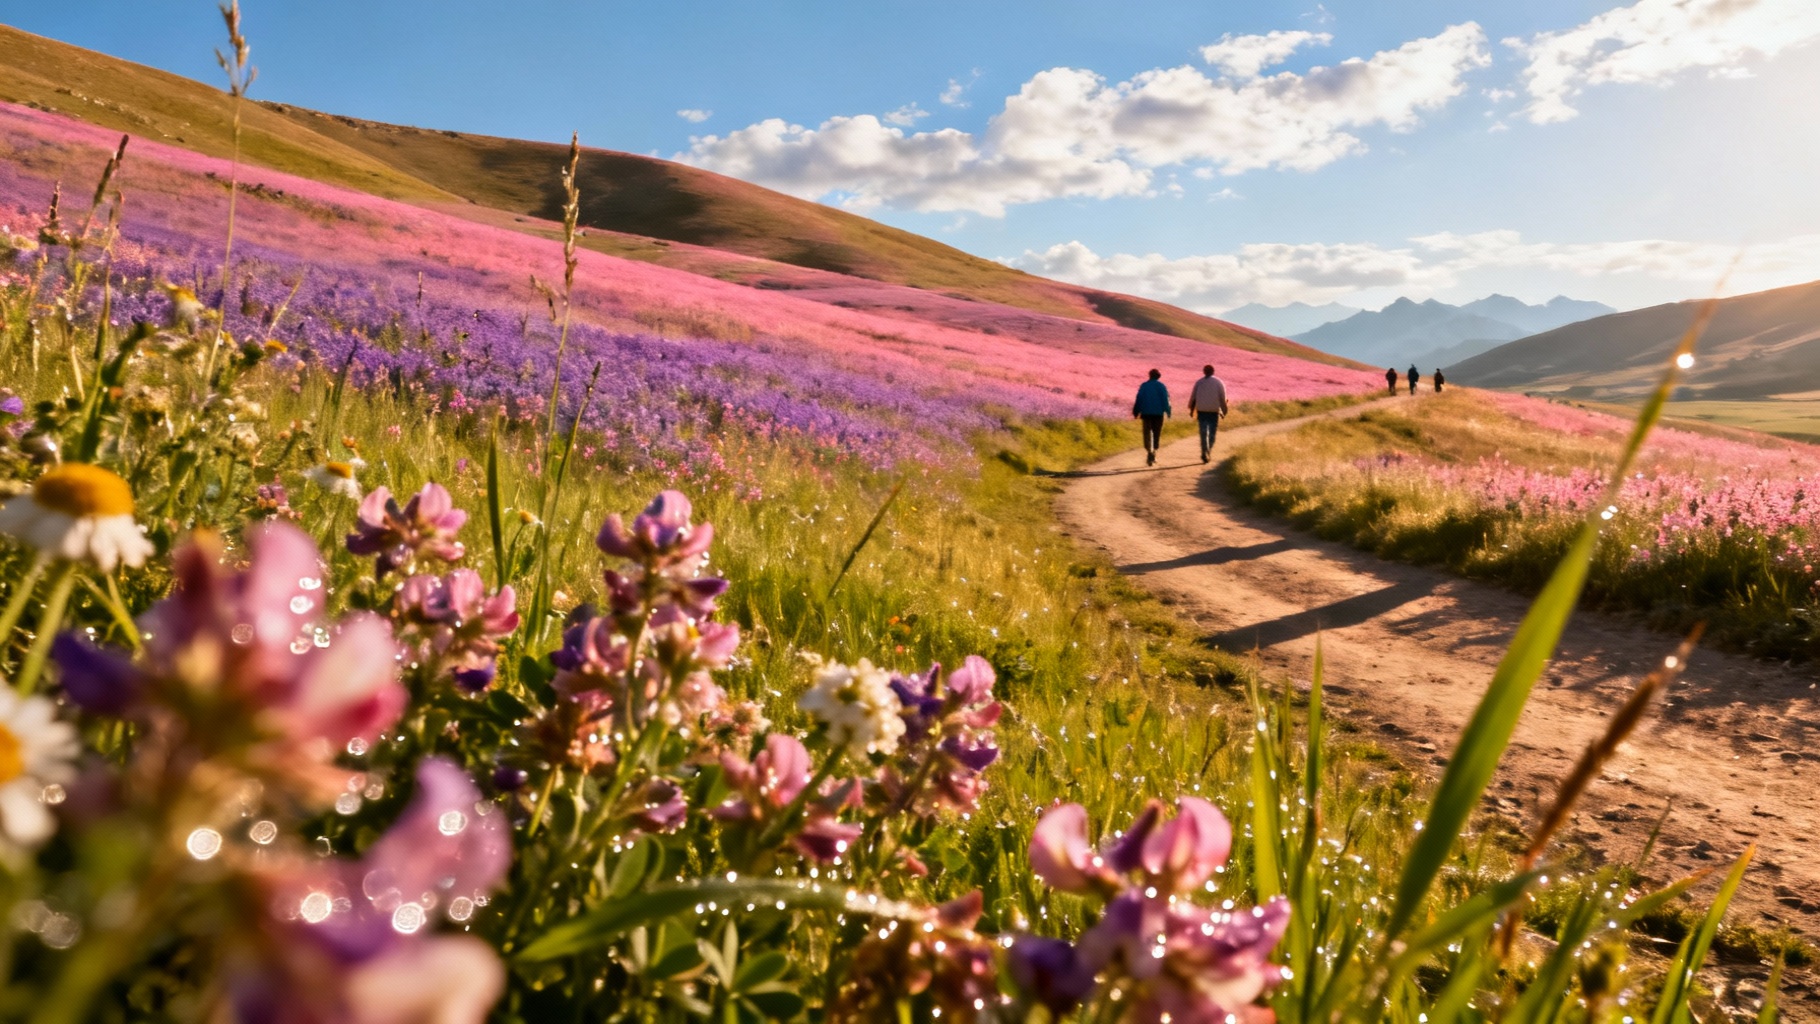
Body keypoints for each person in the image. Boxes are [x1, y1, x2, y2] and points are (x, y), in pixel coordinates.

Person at [1187, 364, 1229, 464]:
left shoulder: (1199, 382)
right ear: (1213, 371)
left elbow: (1193, 398)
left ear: (1204, 372)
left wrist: (1191, 410)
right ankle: (1207, 450)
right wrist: (1224, 411)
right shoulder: (1218, 382)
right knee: (1212, 433)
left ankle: (1204, 451)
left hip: (1202, 411)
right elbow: (1222, 398)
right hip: (1213, 411)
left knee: (1203, 432)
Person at [1132, 368, 1171, 466]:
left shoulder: (1144, 386)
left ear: (1149, 375)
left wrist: (1136, 411)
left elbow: (1139, 398)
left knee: (1147, 433)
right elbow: (1165, 400)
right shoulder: (1161, 386)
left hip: (1146, 413)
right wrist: (1168, 411)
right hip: (1158, 414)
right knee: (1156, 433)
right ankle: (1153, 451)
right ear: (1158, 376)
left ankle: (1149, 451)